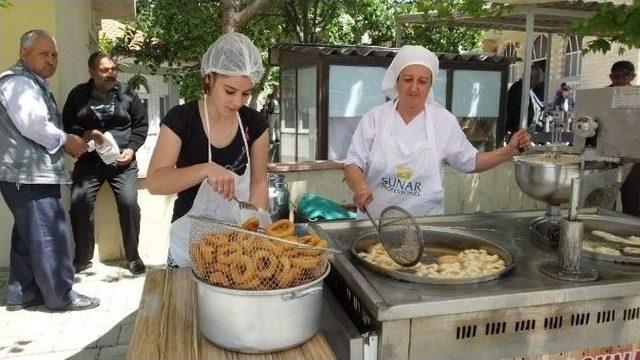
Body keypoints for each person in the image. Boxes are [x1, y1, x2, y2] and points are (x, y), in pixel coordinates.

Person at [344, 45, 530, 219]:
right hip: (375, 224)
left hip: (425, 227)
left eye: (422, 81)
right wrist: (361, 188)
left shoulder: (443, 121)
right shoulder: (375, 118)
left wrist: (509, 151)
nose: (414, 88)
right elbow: (353, 164)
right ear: (397, 80)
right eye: (408, 79)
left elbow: (471, 161)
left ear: (430, 85)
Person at [146, 32, 269, 267]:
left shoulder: (255, 124)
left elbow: (259, 182)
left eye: (245, 94)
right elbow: (155, 182)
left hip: (238, 243)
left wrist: (256, 229)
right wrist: (205, 169)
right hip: (188, 242)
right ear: (209, 79)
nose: (237, 102)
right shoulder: (181, 120)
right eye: (230, 91)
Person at [0, 30, 99, 311]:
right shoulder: (19, 82)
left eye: (54, 54)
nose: (51, 60)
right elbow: (33, 124)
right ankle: (60, 295)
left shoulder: (30, 82)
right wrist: (67, 140)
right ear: (24, 53)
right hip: (28, 174)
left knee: (27, 235)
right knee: (48, 234)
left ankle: (22, 293)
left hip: (21, 174)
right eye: (44, 53)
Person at [62, 52, 148, 275]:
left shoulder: (128, 94)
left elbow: (140, 125)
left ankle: (133, 257)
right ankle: (82, 258)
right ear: (92, 71)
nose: (111, 73)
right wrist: (86, 133)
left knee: (129, 204)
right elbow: (68, 125)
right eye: (105, 69)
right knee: (79, 204)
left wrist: (131, 149)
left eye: (113, 69)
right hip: (90, 163)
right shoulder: (78, 95)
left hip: (123, 163)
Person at [608, 61, 639, 217]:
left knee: (633, 203)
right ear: (610, 77)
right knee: (605, 203)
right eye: (616, 76)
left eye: (624, 76)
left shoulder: (638, 95)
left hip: (633, 157)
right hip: (606, 156)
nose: (620, 80)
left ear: (633, 76)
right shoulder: (600, 96)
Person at [505, 65, 544, 134]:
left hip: (520, 128)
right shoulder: (519, 87)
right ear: (532, 77)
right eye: (537, 77)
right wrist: (518, 126)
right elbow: (512, 108)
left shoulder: (526, 87)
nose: (539, 80)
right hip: (516, 129)